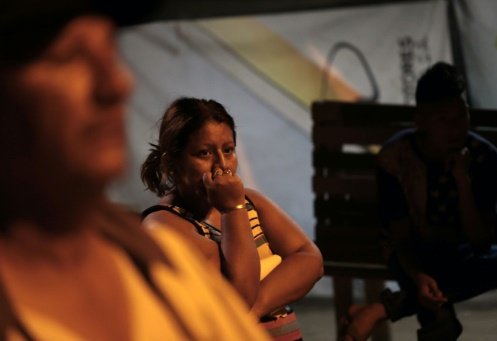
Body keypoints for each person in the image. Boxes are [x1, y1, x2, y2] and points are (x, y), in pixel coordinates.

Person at [0, 1, 272, 340]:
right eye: (67, 56)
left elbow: (309, 259)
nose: (116, 84)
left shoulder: (164, 267)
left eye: (111, 53)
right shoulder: (168, 235)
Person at [341, 62, 497, 341]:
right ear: (420, 120)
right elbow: (400, 236)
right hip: (410, 249)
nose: (456, 129)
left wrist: (462, 180)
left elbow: (481, 242)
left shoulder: (482, 158)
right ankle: (386, 306)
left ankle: (380, 309)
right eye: (442, 120)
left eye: (461, 116)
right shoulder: (395, 160)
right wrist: (418, 276)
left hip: (460, 251)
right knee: (440, 321)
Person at [140, 97, 324, 340]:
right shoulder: (164, 225)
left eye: (228, 150)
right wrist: (232, 209)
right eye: (204, 153)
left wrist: (253, 310)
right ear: (172, 163)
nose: (222, 166)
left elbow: (311, 260)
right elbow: (240, 294)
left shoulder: (251, 202)